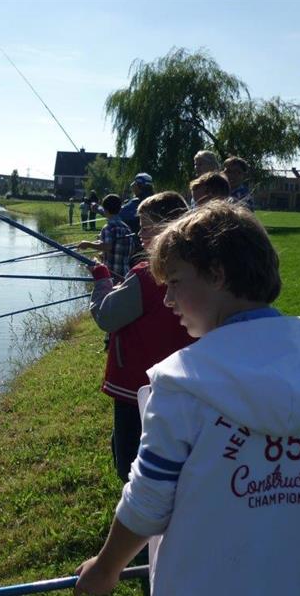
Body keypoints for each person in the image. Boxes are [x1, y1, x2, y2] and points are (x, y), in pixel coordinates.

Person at [74, 200, 300, 596]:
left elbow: (148, 501)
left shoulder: (181, 382)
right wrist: (288, 519)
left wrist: (105, 568)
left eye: (175, 282)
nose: (167, 300)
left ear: (217, 274)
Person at [88, 191, 194, 483]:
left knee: (129, 458)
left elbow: (106, 315)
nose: (140, 233)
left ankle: (139, 504)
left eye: (146, 226)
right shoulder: (193, 269)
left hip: (135, 386)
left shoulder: (146, 274)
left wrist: (102, 280)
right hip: (178, 383)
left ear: (167, 228)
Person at [78, 194, 132, 279]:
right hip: (125, 275)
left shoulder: (108, 227)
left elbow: (107, 246)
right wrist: (104, 254)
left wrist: (88, 244)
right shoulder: (126, 227)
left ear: (105, 209)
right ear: (120, 209)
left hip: (111, 276)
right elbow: (128, 249)